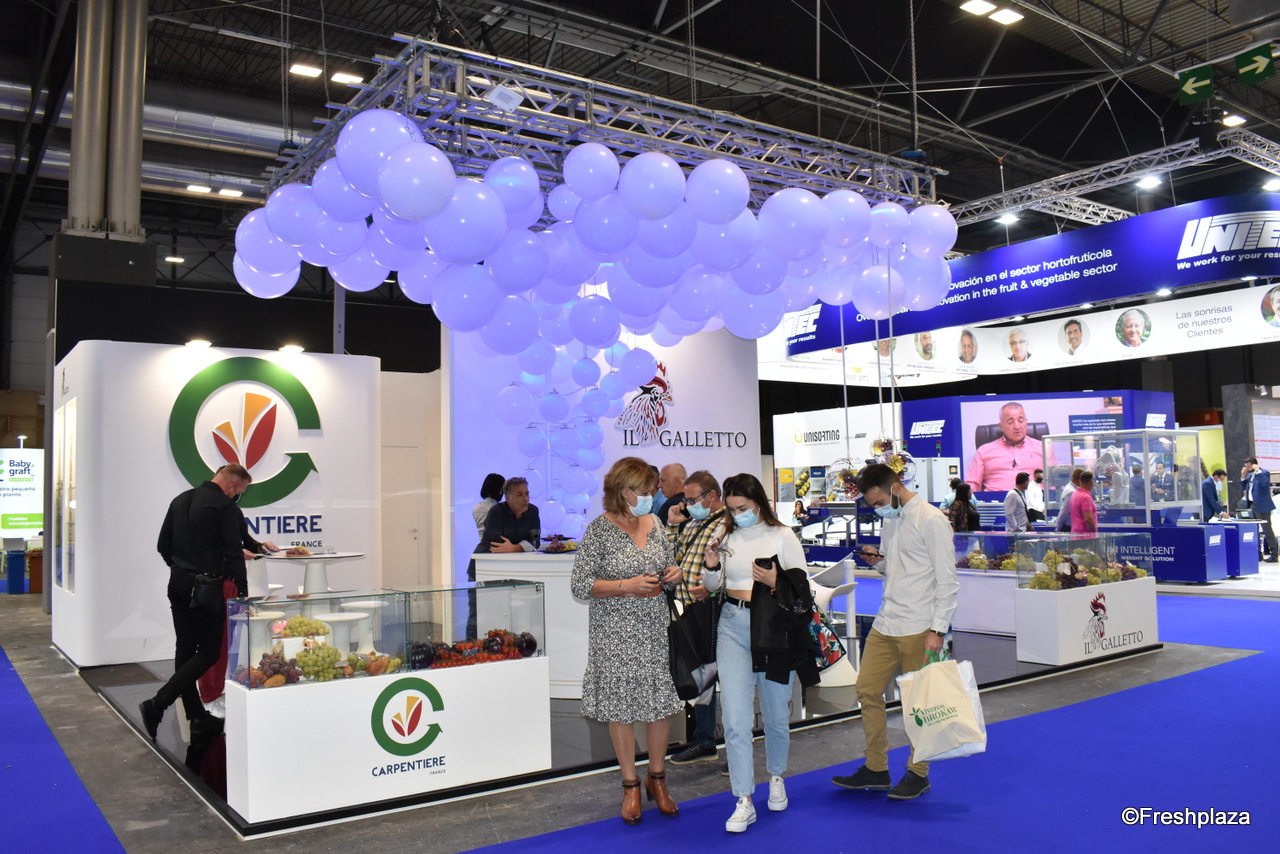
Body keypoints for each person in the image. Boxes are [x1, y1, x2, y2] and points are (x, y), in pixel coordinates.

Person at [831, 463, 958, 801]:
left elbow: (947, 581)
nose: (877, 509)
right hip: (886, 621)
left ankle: (919, 772)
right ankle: (876, 767)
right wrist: (880, 562)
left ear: (896, 488)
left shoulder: (932, 520)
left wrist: (938, 629)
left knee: (919, 702)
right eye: (872, 505)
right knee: (867, 689)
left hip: (920, 625)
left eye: (878, 502)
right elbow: (899, 569)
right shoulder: (891, 519)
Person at [570, 457, 683, 825]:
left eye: (652, 490)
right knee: (621, 708)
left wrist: (673, 574)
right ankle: (630, 784)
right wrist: (625, 586)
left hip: (653, 628)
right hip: (614, 632)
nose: (650, 496)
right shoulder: (599, 530)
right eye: (644, 491)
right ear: (622, 491)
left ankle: (657, 778)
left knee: (660, 705)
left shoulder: (656, 524)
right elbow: (580, 585)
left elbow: (667, 565)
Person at [701, 473, 815, 832]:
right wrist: (710, 565)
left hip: (774, 629)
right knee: (735, 717)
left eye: (743, 507)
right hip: (732, 624)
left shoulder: (782, 535)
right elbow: (713, 587)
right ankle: (744, 798)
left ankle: (776, 777)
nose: (738, 514)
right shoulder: (727, 535)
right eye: (732, 509)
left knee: (775, 713)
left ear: (758, 502)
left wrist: (775, 581)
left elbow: (803, 591)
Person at [140, 464, 253, 742]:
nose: (237, 496)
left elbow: (163, 545)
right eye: (239, 491)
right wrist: (243, 592)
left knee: (186, 648)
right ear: (231, 486)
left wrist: (182, 567)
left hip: (178, 582)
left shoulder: (180, 500)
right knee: (210, 651)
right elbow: (234, 552)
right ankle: (158, 702)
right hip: (206, 587)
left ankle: (195, 715)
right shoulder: (224, 506)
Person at [666, 471, 729, 766]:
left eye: (693, 499)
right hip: (690, 611)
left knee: (724, 676)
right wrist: (672, 526)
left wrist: (715, 587)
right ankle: (705, 740)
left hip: (717, 610)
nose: (689, 505)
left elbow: (736, 567)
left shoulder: (728, 525)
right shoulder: (692, 523)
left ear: (711, 495)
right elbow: (672, 557)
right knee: (702, 675)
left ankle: (730, 747)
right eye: (687, 499)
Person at [966, 402, 1045, 492]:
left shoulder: (1043, 448)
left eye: (1021, 420)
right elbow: (972, 484)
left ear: (1026, 422)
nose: (1017, 426)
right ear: (1001, 426)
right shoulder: (984, 451)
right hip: (995, 500)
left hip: (1033, 499)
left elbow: (1054, 483)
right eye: (1010, 422)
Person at [475, 477, 540, 554]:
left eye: (527, 494)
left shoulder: (533, 511)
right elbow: (496, 545)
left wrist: (514, 548)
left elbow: (535, 542)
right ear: (508, 498)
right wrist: (522, 546)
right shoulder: (496, 512)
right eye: (520, 495)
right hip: (484, 558)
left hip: (515, 559)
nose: (526, 499)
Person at [1242, 457, 1277, 561]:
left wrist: (1258, 471)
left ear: (1254, 465)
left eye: (1248, 466)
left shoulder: (1264, 473)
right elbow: (1244, 487)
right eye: (1246, 466)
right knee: (1254, 531)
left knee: (1267, 530)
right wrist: (1243, 476)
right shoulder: (1249, 475)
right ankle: (1258, 554)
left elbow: (1264, 484)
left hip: (1263, 506)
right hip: (1252, 505)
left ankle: (1274, 554)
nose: (1247, 468)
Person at [472, 473, 505, 540]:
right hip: (499, 545)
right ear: (500, 490)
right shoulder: (501, 510)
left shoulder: (476, 508)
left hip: (482, 545)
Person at [1057, 467, 1084, 531]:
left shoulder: (1071, 488)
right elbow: (1064, 512)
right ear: (1079, 480)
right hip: (1068, 527)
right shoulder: (1071, 492)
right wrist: (1058, 528)